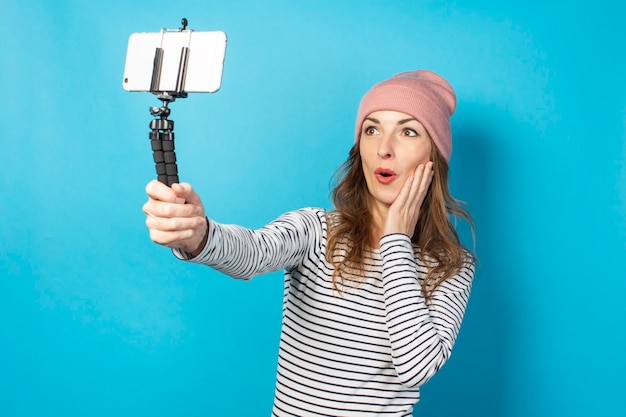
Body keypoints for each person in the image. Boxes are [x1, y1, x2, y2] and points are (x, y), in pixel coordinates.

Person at [143, 70, 476, 416]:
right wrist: (199, 234)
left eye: (408, 131)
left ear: (434, 158)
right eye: (371, 129)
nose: (384, 148)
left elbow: (416, 367)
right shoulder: (315, 229)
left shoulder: (452, 266)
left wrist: (395, 242)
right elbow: (253, 252)